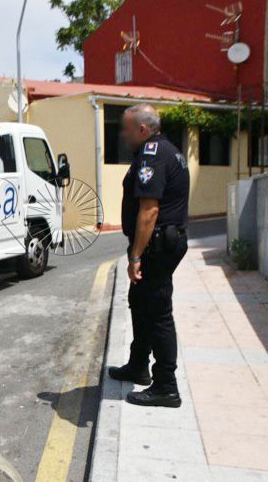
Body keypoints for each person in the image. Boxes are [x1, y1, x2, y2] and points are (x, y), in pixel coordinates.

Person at [108, 103, 189, 408]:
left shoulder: (152, 155)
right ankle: (138, 365)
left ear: (142, 129)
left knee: (157, 312)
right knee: (139, 303)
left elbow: (149, 210)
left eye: (126, 128)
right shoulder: (167, 150)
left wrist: (135, 256)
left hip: (157, 247)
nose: (122, 134)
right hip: (159, 243)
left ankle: (166, 386)